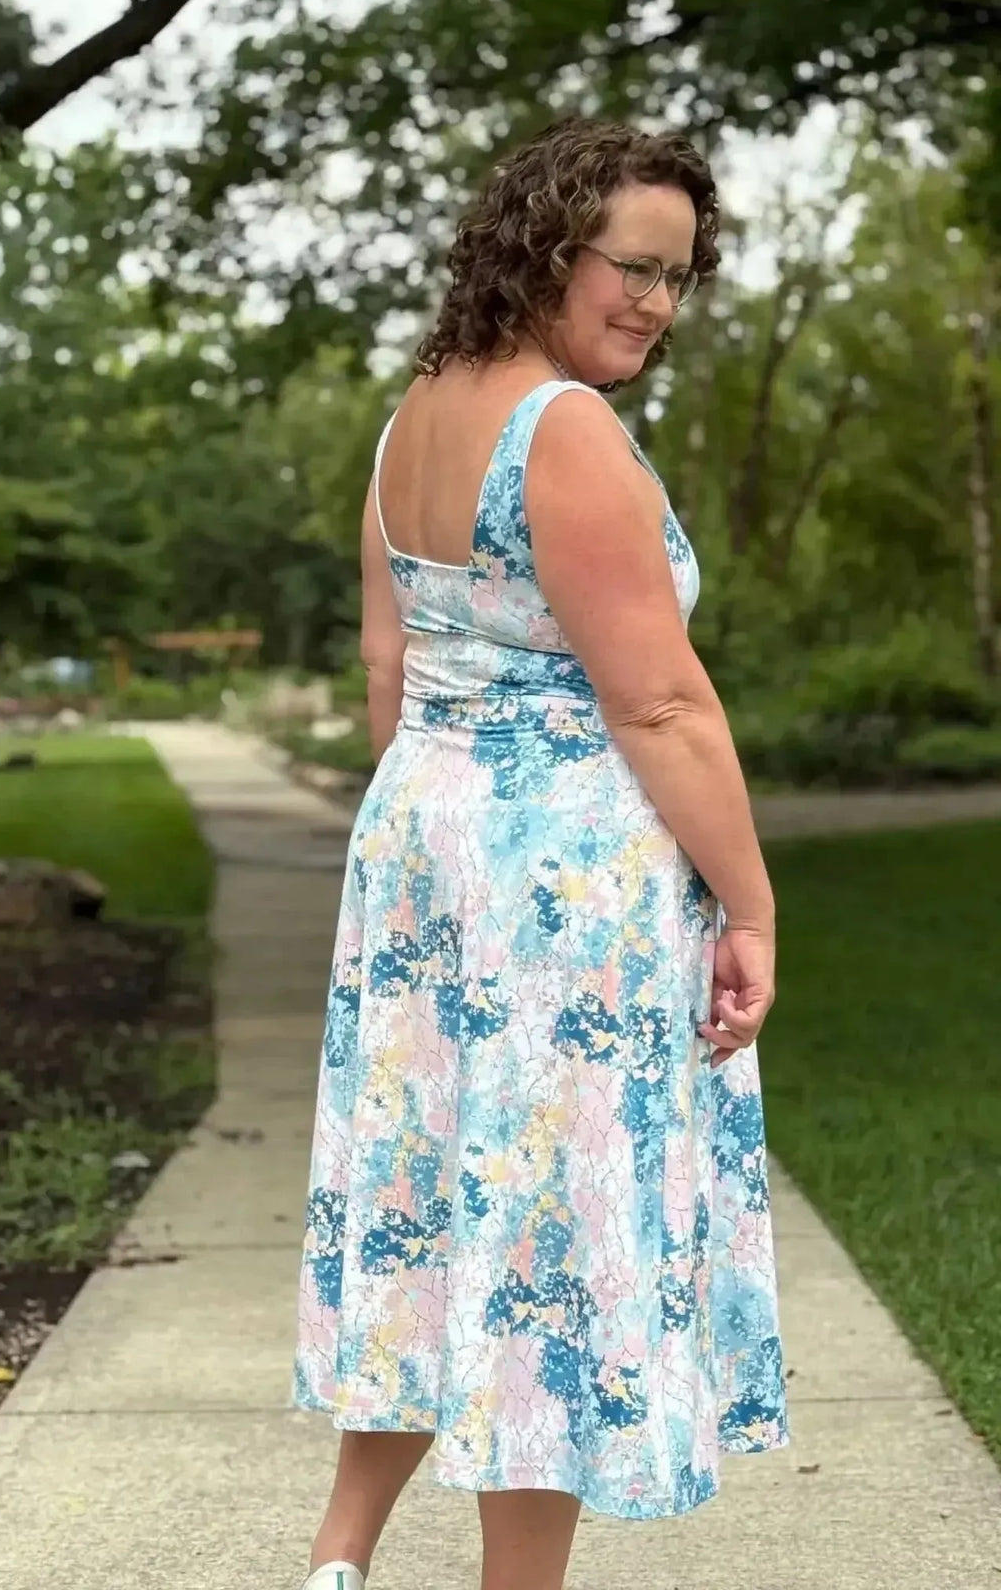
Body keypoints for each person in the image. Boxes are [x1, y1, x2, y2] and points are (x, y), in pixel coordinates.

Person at [291, 115, 788, 1590]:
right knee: (547, 1234)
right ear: (541, 248)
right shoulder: (562, 431)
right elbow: (657, 700)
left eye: (679, 278)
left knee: (434, 1197)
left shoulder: (413, 422)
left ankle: (340, 1562)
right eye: (631, 267)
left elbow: (391, 678)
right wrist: (751, 905)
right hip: (564, 874)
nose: (655, 303)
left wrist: (434, 853)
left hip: (429, 850)